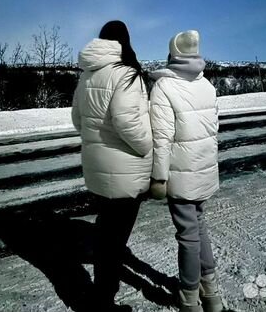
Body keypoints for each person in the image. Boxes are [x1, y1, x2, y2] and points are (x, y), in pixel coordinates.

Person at [72, 20, 153, 312]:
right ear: (124, 41)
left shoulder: (87, 75)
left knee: (106, 231)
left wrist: (96, 141)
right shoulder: (125, 74)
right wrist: (147, 147)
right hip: (125, 169)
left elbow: (78, 120)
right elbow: (126, 121)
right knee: (114, 238)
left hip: (97, 167)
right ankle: (103, 300)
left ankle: (101, 295)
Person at [150, 30, 223, 312]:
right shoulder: (207, 85)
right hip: (203, 170)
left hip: (181, 175)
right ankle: (212, 295)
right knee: (199, 228)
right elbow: (213, 129)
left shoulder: (165, 87)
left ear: (172, 54)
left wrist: (158, 177)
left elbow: (161, 139)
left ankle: (189, 298)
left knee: (188, 236)